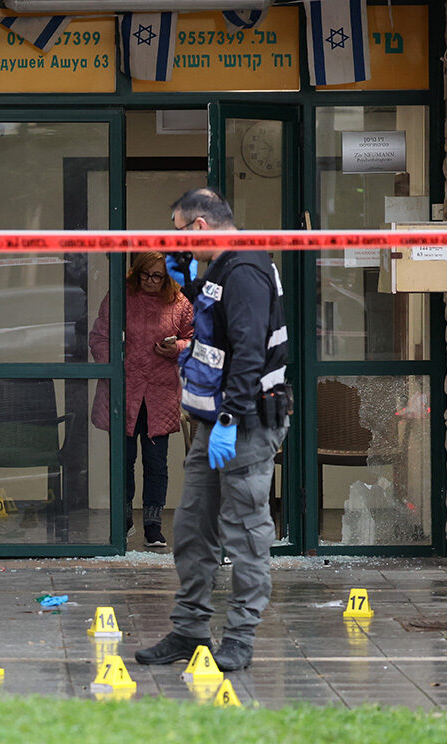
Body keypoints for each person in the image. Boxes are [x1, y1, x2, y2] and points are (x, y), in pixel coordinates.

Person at [135, 188, 291, 673]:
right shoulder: (218, 270)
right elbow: (210, 342)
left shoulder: (245, 270)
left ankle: (240, 638)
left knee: (245, 532)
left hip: (243, 423)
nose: (174, 243)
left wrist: (228, 418)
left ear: (199, 227)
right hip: (214, 424)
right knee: (192, 528)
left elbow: (248, 353)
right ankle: (189, 630)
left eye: (178, 233)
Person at [89, 251, 193, 547]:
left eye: (157, 276)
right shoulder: (121, 296)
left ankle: (153, 525)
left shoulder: (179, 303)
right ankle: (122, 521)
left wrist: (175, 349)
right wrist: (114, 364)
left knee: (156, 462)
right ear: (136, 274)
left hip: (159, 394)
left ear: (167, 278)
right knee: (124, 459)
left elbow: (196, 340)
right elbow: (99, 336)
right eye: (145, 275)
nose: (150, 281)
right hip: (124, 390)